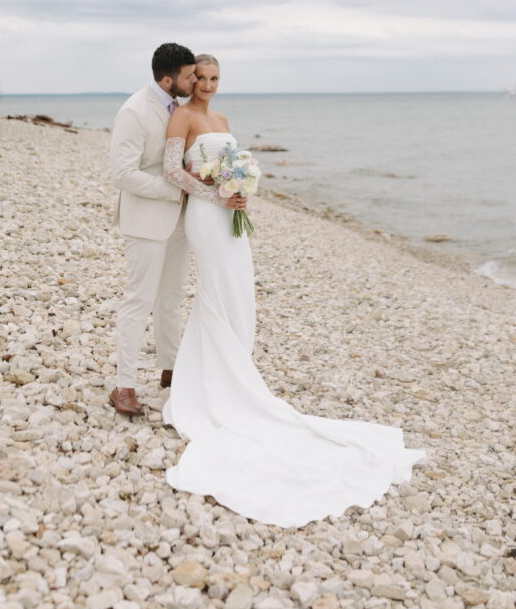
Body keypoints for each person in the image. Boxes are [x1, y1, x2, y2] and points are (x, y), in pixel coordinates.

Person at [161, 54, 426, 528]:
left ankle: (236, 372)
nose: (207, 85)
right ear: (188, 80)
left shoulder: (221, 118)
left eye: (215, 78)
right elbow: (172, 171)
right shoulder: (182, 115)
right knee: (215, 291)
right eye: (199, 78)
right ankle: (212, 388)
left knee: (240, 291)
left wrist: (239, 191)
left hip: (230, 213)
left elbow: (229, 167)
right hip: (206, 214)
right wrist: (215, 194)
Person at [108, 43, 198, 417]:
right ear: (168, 79)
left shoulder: (187, 108)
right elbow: (122, 173)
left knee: (172, 299)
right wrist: (173, 190)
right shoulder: (134, 111)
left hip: (180, 221)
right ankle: (123, 385)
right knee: (138, 301)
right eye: (189, 76)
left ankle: (170, 370)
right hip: (146, 220)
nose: (195, 81)